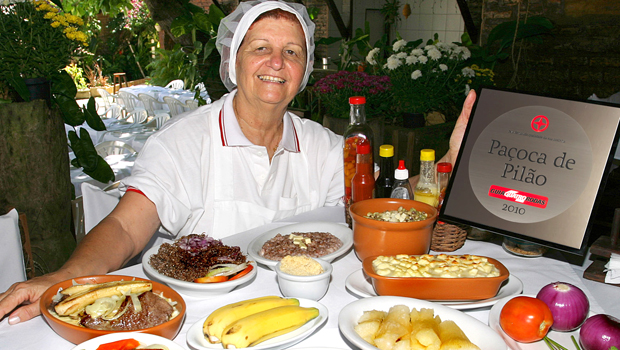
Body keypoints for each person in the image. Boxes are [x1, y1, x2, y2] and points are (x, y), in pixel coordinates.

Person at [0, 0, 476, 324]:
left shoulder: (326, 147)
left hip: (307, 316)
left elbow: (377, 211)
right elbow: (126, 228)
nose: (276, 62)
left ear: (304, 72)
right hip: (204, 324)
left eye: (292, 52)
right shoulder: (182, 143)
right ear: (233, 60)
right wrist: (66, 277)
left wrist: (450, 160)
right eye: (261, 48)